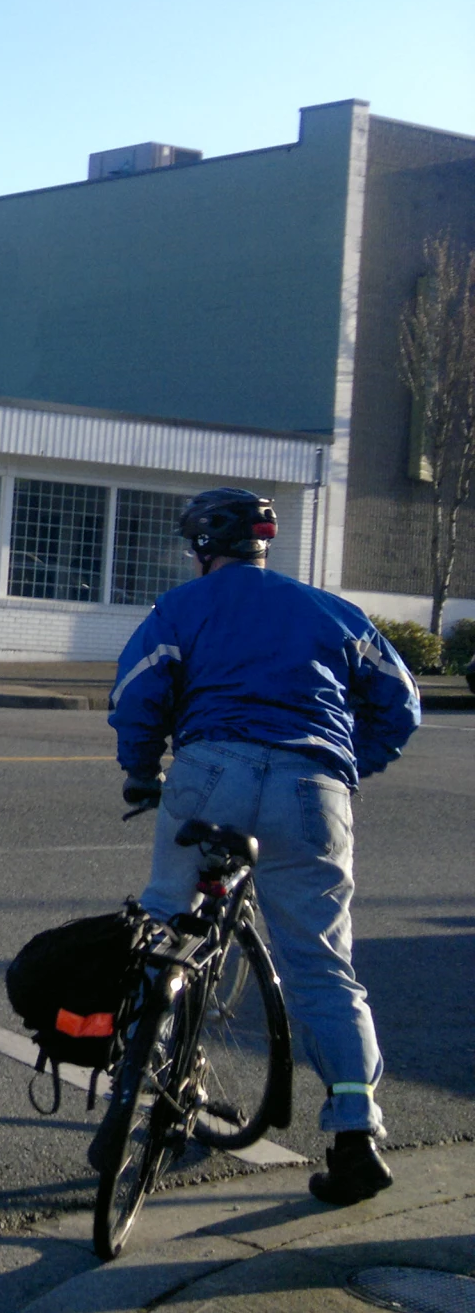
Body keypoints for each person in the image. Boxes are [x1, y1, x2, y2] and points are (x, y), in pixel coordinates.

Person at [109, 488, 421, 1206]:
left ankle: (138, 1083)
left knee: (162, 920)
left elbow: (137, 688)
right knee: (320, 964)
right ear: (263, 545)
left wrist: (139, 768)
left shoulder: (184, 607)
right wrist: (349, 762)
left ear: (201, 548)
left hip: (210, 769)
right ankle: (356, 1131)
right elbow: (400, 701)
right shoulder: (329, 609)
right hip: (314, 787)